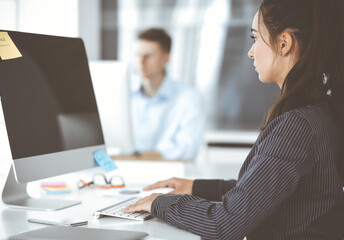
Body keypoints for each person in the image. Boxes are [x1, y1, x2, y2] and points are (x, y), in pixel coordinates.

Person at [123, 0, 344, 239]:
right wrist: (195, 187)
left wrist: (160, 203)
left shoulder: (297, 126)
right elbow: (261, 190)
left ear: (284, 43)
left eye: (255, 38)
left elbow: (224, 225)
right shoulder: (318, 110)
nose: (251, 52)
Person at [130, 28, 205, 161]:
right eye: (137, 55)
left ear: (166, 58)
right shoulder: (123, 94)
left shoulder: (189, 98)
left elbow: (187, 148)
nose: (141, 61)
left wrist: (135, 157)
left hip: (170, 174)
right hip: (125, 170)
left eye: (148, 56)